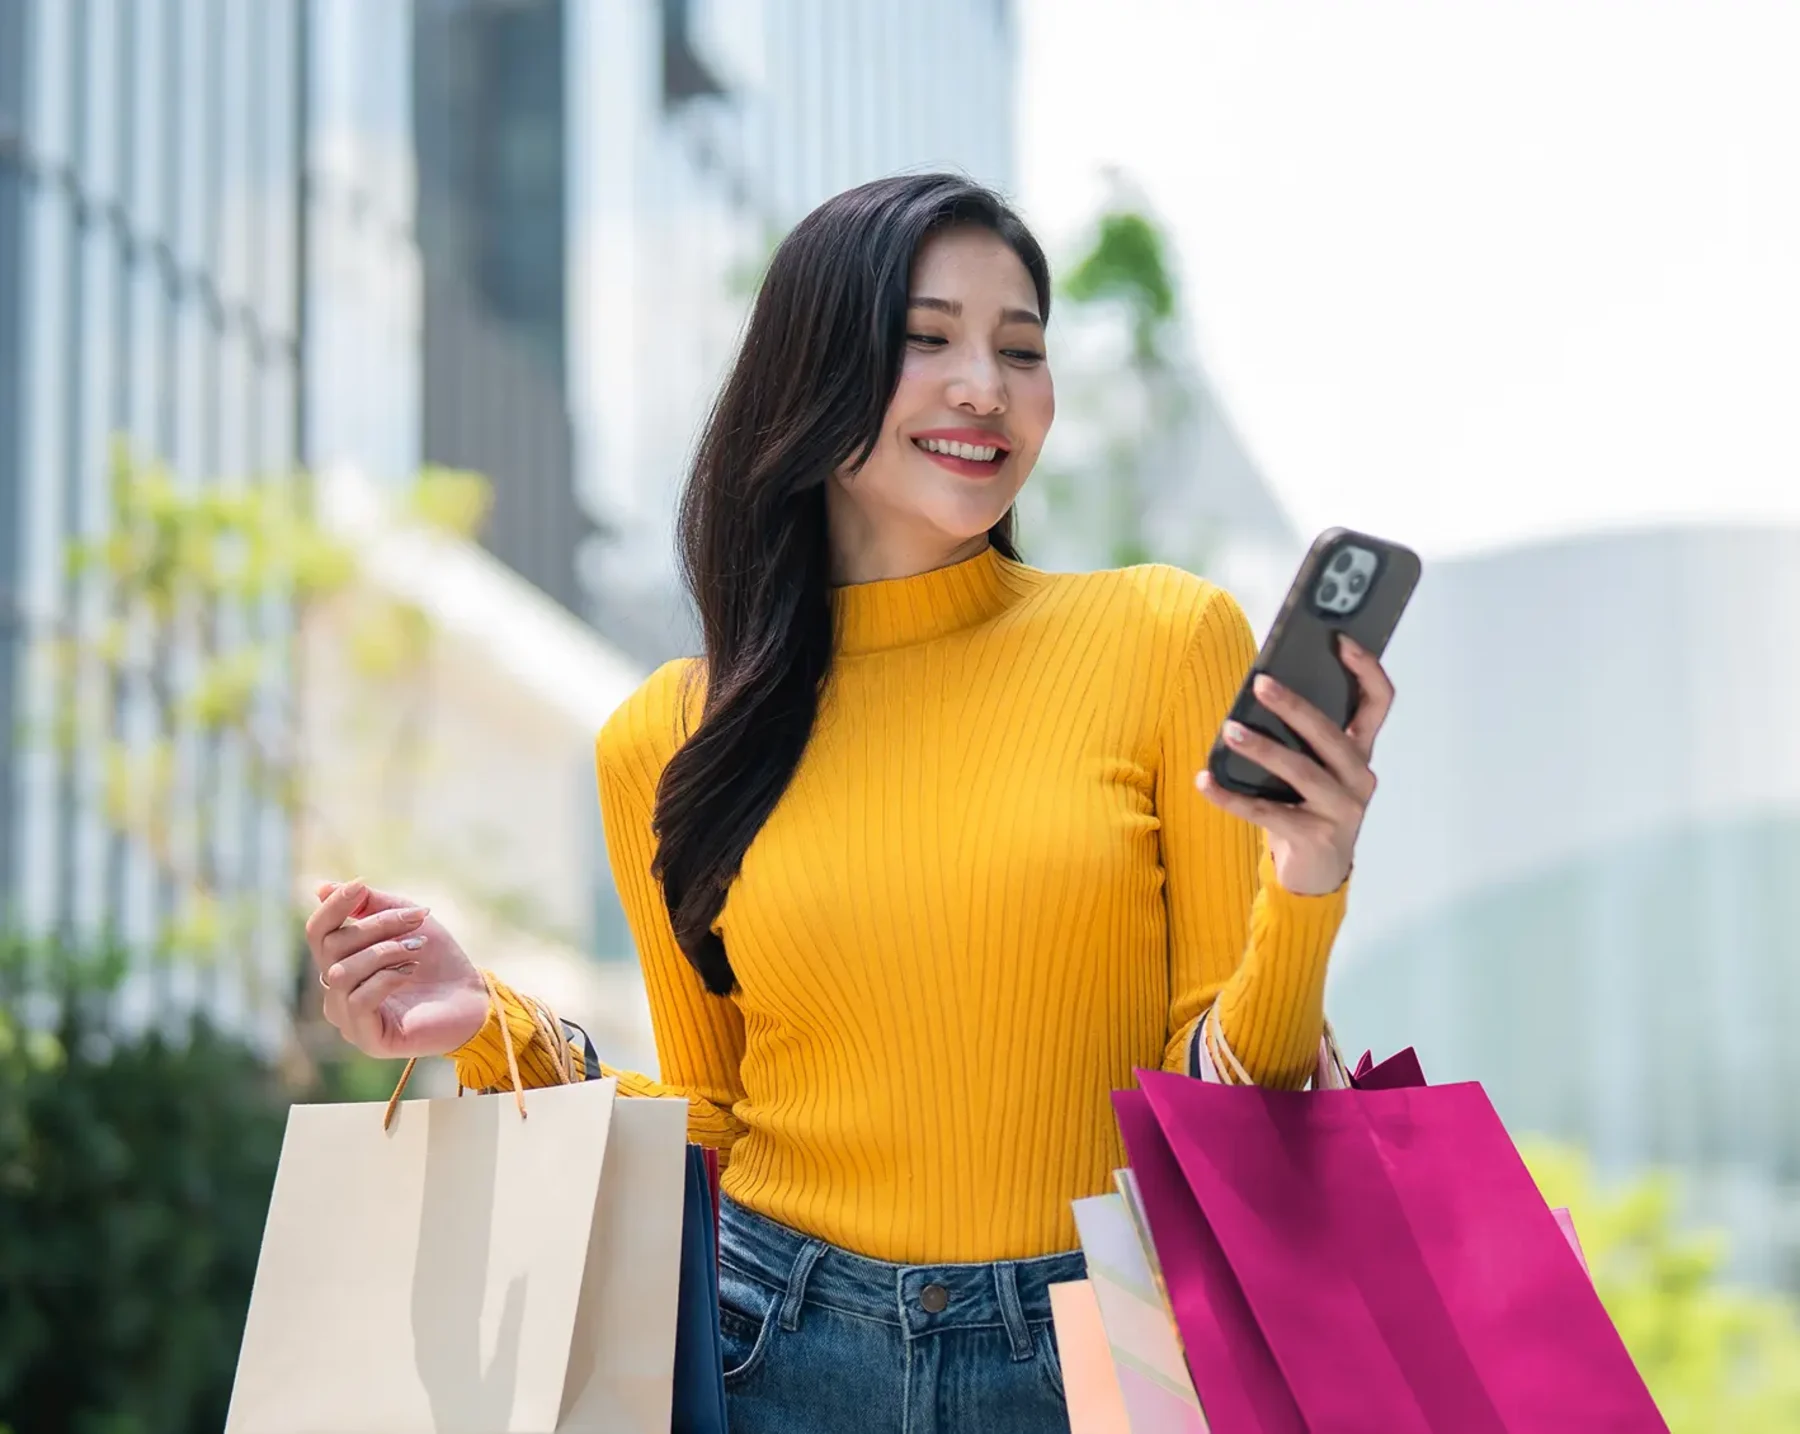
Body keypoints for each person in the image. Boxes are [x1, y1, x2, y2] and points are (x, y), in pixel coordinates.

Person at [305, 172, 1395, 1432]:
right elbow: (709, 1132)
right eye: (927, 338)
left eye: (1022, 348)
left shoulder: (1161, 635)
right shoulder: (667, 735)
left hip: (1103, 1354)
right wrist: (485, 1024)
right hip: (777, 1348)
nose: (984, 386)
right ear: (812, 370)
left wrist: (1308, 878)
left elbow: (1222, 1110)